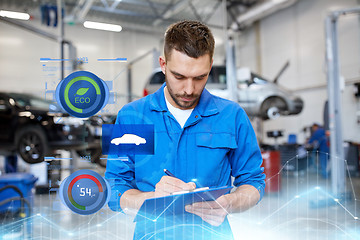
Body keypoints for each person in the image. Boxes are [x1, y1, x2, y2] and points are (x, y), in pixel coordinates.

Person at [105, 20, 265, 240]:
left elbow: (254, 182)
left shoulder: (232, 116)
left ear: (210, 67)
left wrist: (230, 202)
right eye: (179, 77)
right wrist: (152, 199)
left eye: (200, 78)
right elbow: (114, 189)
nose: (189, 89)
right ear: (163, 64)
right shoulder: (132, 117)